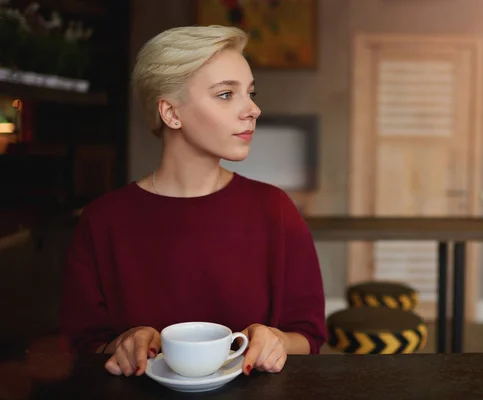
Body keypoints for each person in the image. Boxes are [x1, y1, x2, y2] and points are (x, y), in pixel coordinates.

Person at [59, 25, 327, 378]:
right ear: (171, 113)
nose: (253, 110)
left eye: (250, 92)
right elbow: (83, 345)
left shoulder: (275, 210)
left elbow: (308, 335)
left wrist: (276, 340)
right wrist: (124, 344)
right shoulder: (102, 220)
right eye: (226, 95)